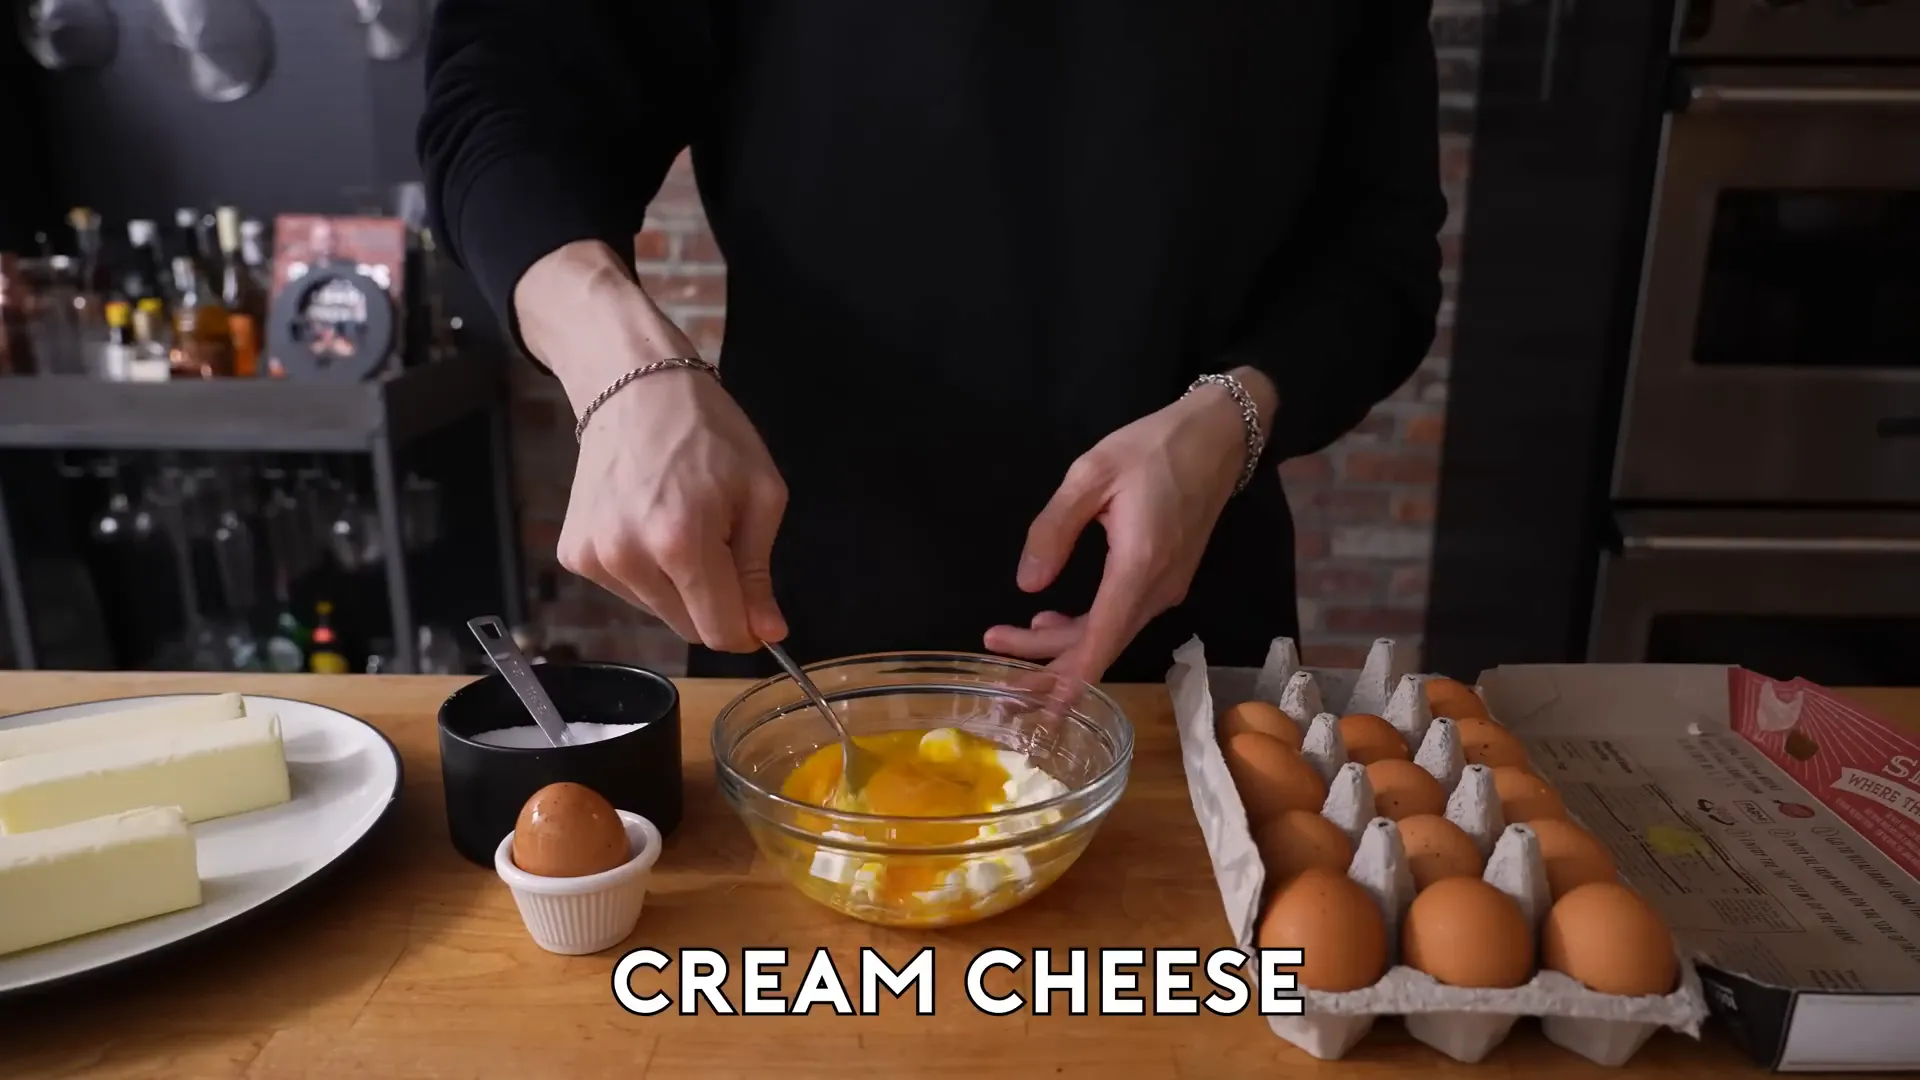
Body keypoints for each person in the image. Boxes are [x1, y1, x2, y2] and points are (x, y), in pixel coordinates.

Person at [418, 1, 1445, 687]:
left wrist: (1237, 416)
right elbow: (509, 91)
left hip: (1184, 640)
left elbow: (1381, 252)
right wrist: (622, 365)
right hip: (808, 630)